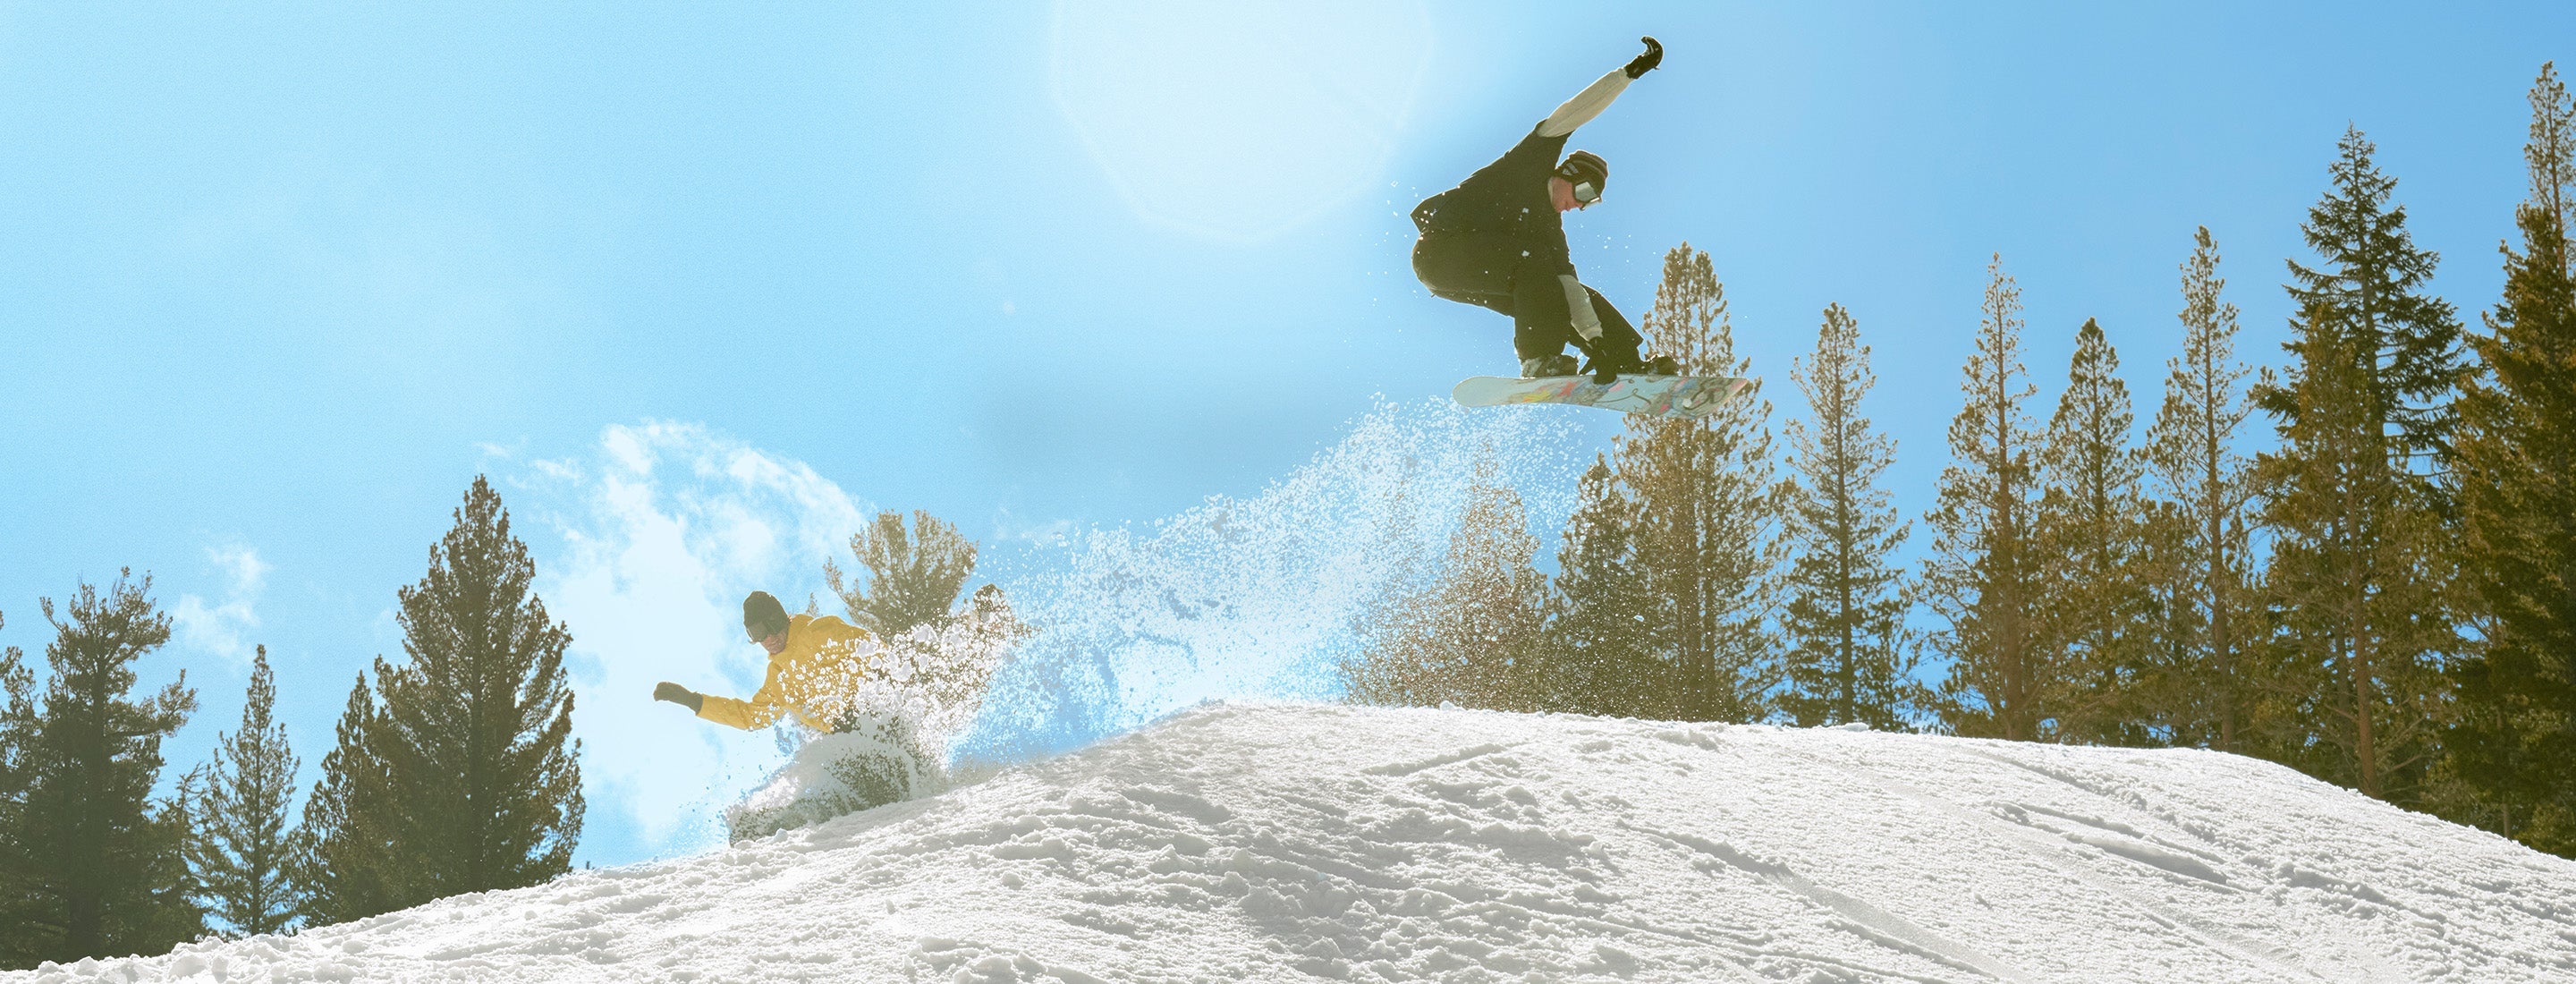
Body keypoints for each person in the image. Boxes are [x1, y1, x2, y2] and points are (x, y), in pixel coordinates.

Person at [1411, 37, 1680, 381]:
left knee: (1565, 287)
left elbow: (1571, 291)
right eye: (1584, 191)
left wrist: (1596, 341)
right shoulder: (1527, 166)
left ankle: (1626, 361)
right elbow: (1571, 114)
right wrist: (1628, 75)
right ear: (1566, 174)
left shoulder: (1548, 231)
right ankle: (1538, 359)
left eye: (1590, 201)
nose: (1580, 204)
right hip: (1440, 253)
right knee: (1533, 258)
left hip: (1486, 269)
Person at [654, 590, 874, 733]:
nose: (768, 638)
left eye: (772, 626)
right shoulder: (777, 679)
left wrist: (877, 688)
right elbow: (750, 716)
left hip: (873, 712)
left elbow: (869, 647)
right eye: (757, 633)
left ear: (782, 619)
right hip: (845, 738)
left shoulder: (817, 632)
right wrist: (693, 701)